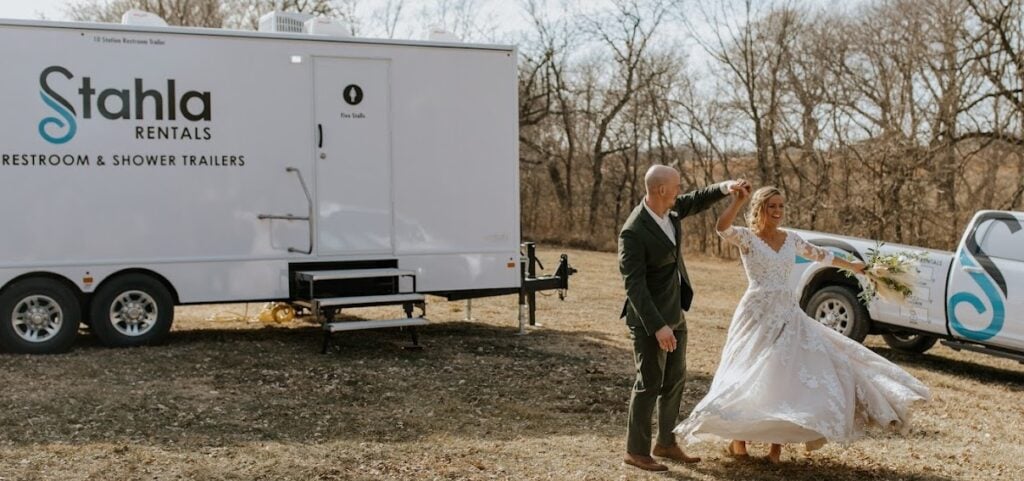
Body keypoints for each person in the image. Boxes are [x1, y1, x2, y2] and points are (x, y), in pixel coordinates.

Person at [673, 186, 930, 464]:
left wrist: (856, 267)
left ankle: (776, 447)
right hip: (757, 311)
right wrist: (737, 201)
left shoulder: (791, 239)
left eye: (781, 207)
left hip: (787, 310)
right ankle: (739, 441)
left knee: (785, 372)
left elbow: (822, 255)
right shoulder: (748, 238)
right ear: (760, 208)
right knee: (748, 369)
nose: (778, 212)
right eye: (772, 206)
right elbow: (722, 228)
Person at [618, 164, 749, 472]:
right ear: (661, 190)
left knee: (675, 380)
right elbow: (633, 286)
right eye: (676, 186)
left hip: (675, 312)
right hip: (650, 320)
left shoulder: (671, 211)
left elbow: (695, 200)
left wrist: (725, 187)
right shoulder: (634, 231)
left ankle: (665, 442)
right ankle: (635, 451)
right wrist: (658, 326)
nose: (680, 190)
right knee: (648, 382)